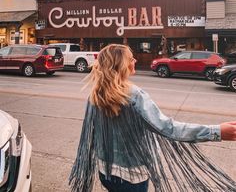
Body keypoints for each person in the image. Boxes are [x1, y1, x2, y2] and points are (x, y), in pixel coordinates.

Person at [69, 44, 236, 192]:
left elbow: (92, 134)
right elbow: (168, 128)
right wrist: (216, 131)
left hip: (105, 171)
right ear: (121, 64)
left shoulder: (95, 95)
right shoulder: (134, 95)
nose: (134, 60)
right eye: (130, 58)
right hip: (131, 177)